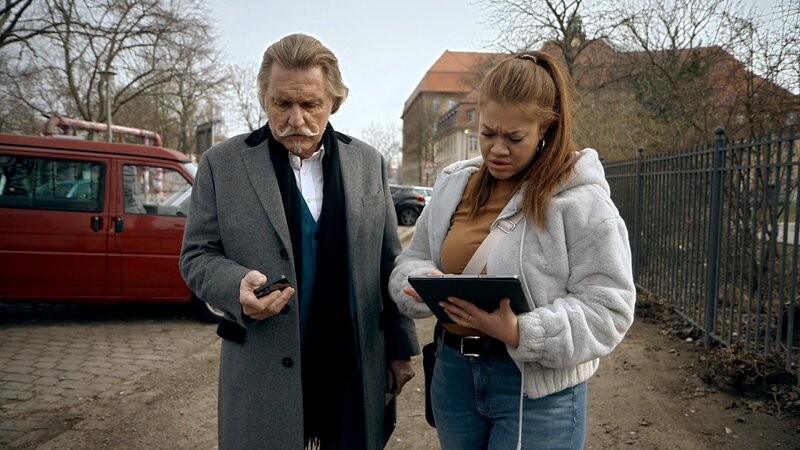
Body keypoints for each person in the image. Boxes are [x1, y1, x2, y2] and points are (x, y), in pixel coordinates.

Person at [180, 33, 419, 450]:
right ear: (265, 99)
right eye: (282, 104)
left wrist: (400, 347)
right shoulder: (222, 164)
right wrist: (235, 287)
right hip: (262, 367)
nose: (295, 118)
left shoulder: (368, 163)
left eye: (310, 105)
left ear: (334, 103)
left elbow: (387, 261)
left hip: (352, 362)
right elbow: (197, 255)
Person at [389, 51, 636, 450]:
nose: (497, 150)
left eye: (514, 137)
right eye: (487, 133)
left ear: (546, 129)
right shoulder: (454, 185)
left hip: (535, 393)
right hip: (454, 378)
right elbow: (410, 260)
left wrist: (523, 331)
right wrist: (418, 283)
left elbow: (610, 307)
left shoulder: (582, 201)